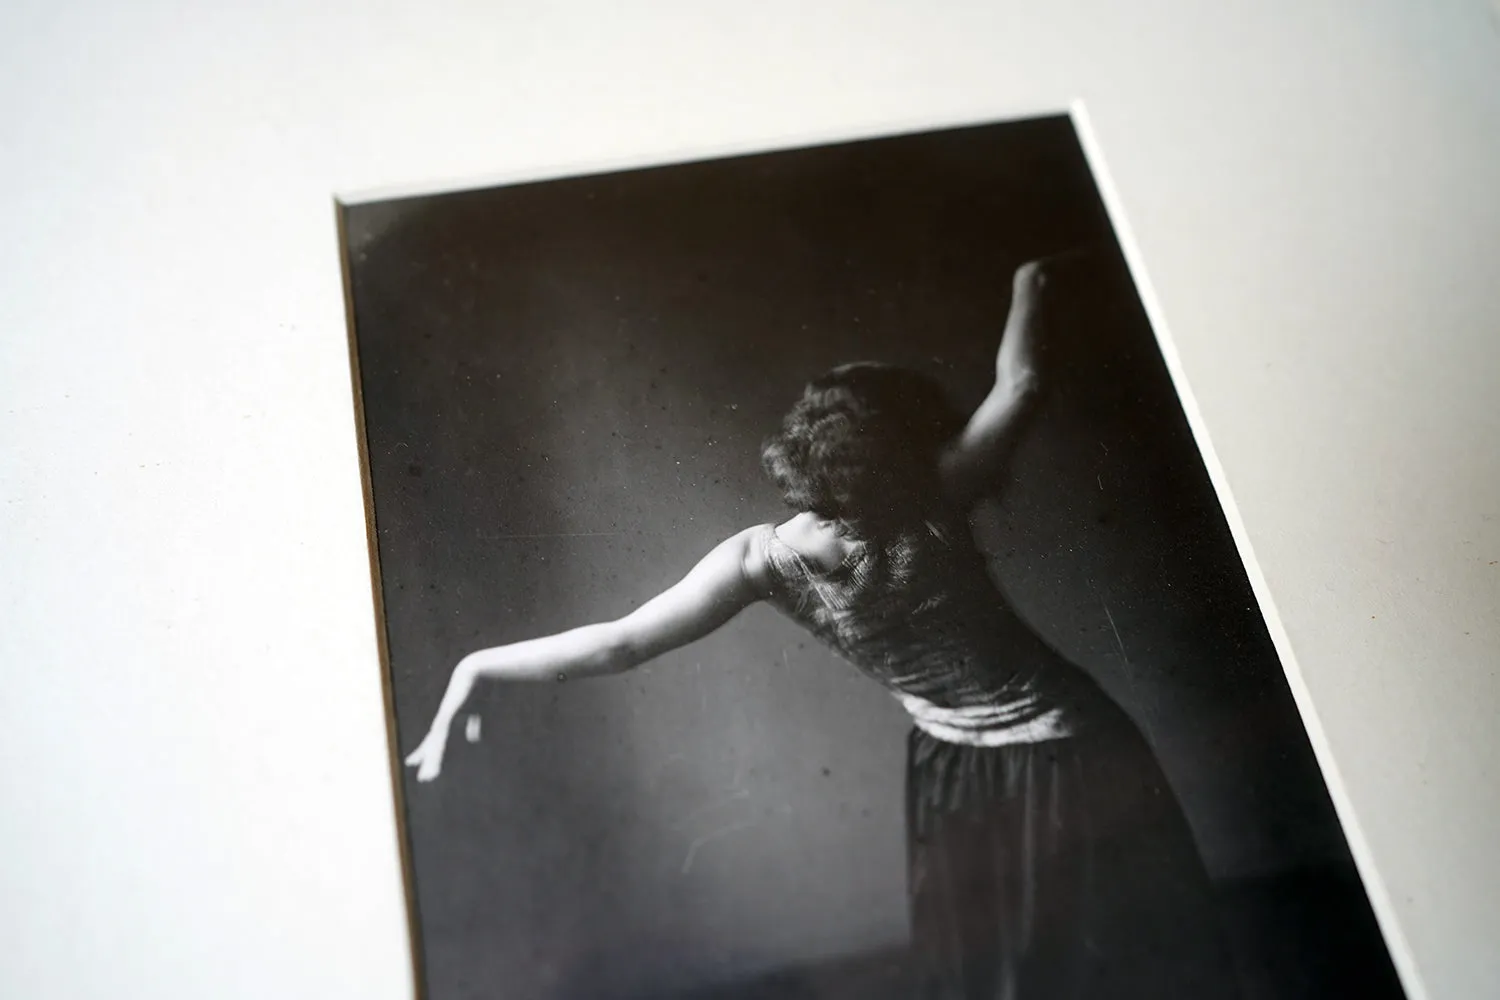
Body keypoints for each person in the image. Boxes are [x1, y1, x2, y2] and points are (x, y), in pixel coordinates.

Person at [403, 253, 1241, 998]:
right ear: (905, 445)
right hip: (1064, 754)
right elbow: (1021, 386)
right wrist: (1032, 281)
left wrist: (477, 665)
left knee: (1010, 972)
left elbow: (622, 641)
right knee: (1108, 965)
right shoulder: (937, 495)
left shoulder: (758, 559)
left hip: (957, 763)